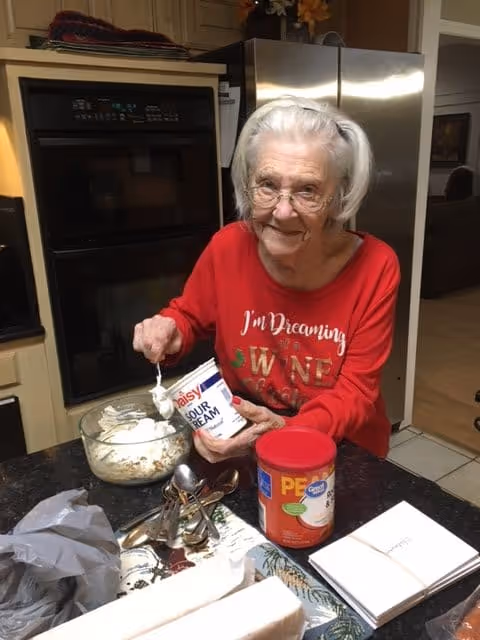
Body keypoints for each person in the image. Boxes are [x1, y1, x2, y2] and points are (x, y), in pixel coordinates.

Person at [133, 96, 400, 462]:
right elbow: (190, 316)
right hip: (246, 431)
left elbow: (356, 392)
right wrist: (169, 328)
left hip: (342, 448)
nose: (283, 211)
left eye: (308, 190)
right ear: (248, 185)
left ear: (337, 198)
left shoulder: (376, 266)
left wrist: (287, 432)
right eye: (268, 185)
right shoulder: (227, 247)